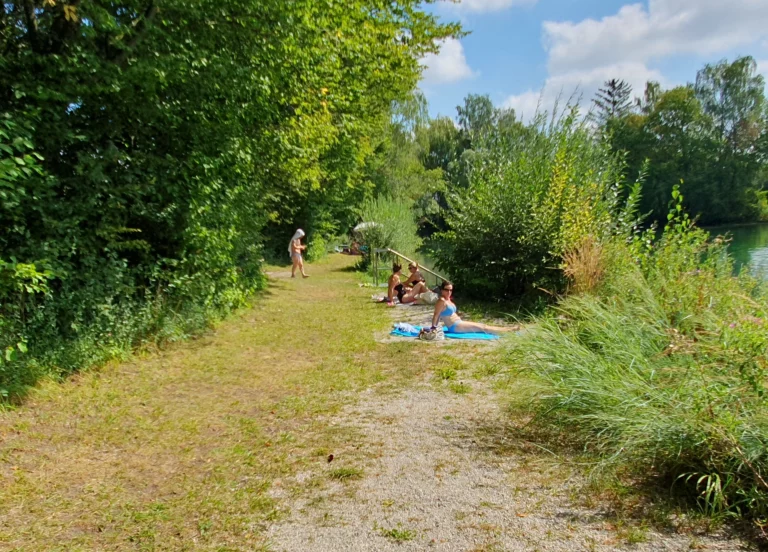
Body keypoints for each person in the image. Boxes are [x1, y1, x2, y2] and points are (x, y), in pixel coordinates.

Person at [429, 281, 514, 335]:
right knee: (483, 328)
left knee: (482, 325)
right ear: (442, 290)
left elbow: (450, 312)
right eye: (447, 290)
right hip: (454, 326)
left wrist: (459, 314)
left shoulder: (448, 300)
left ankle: (507, 329)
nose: (449, 292)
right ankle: (508, 331)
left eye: (451, 290)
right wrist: (433, 328)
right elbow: (436, 315)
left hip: (459, 322)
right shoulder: (441, 301)